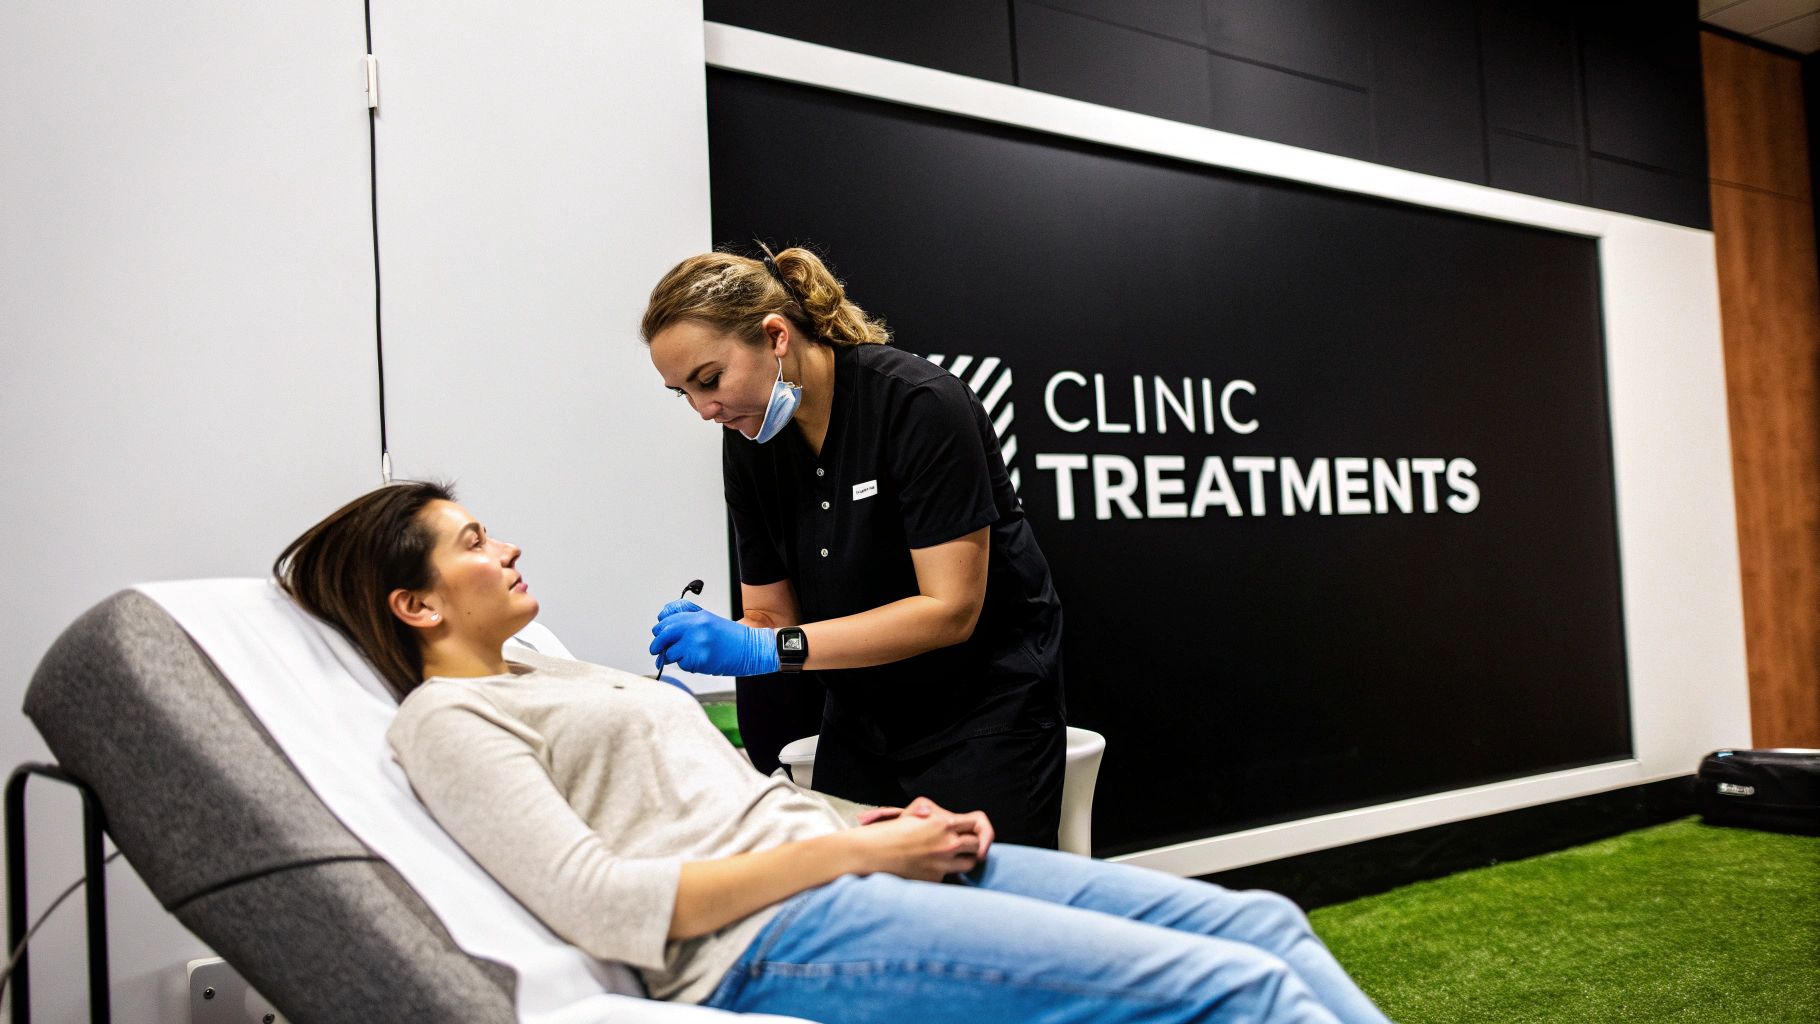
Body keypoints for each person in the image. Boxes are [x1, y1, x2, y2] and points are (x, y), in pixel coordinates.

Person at [273, 482, 1393, 1023]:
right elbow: (607, 903)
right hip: (772, 939)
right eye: (472, 541)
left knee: (1259, 923)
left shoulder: (555, 675)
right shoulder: (444, 723)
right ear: (414, 601)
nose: (505, 542)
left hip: (850, 862)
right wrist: (853, 861)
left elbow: (735, 803)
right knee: (1227, 991)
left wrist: (877, 825)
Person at [641, 244, 1068, 848]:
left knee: (976, 925)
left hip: (981, 715)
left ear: (776, 336)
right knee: (862, 910)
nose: (704, 409)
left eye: (709, 380)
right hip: (861, 718)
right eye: (682, 391)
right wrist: (727, 637)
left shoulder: (919, 404)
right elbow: (774, 617)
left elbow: (949, 611)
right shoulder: (748, 444)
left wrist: (769, 647)